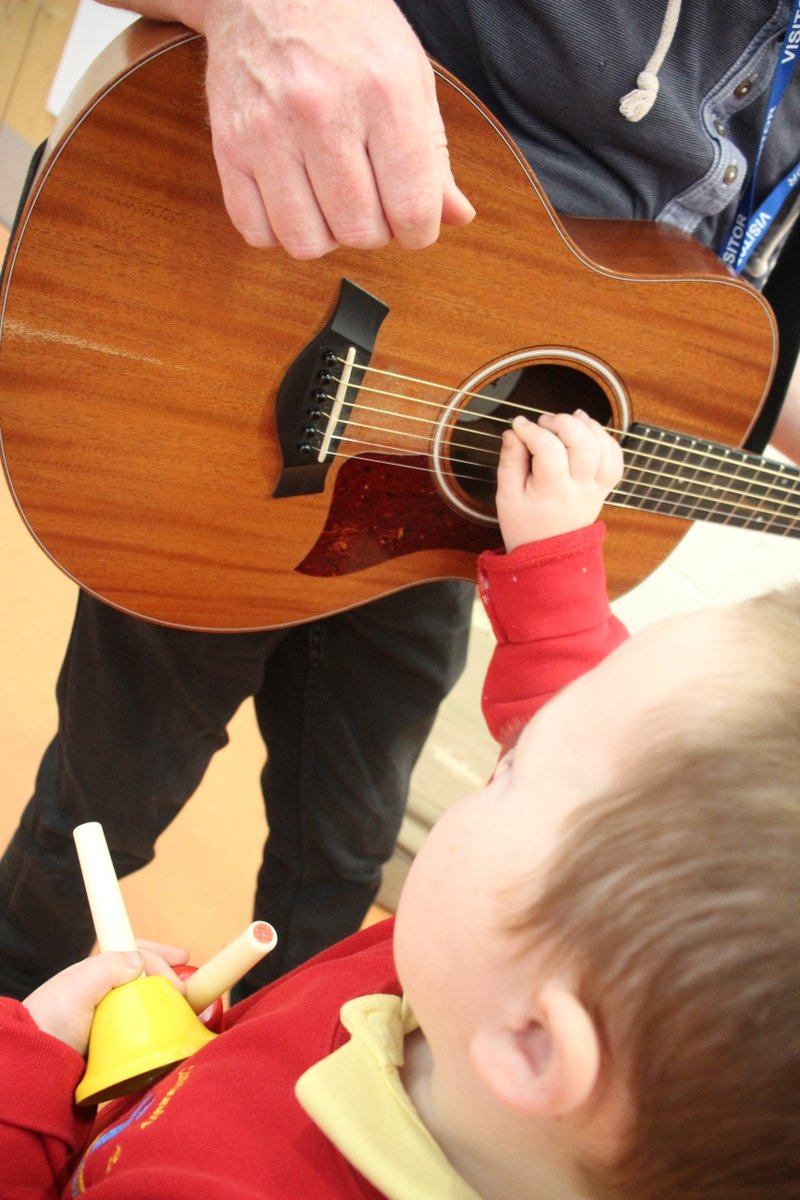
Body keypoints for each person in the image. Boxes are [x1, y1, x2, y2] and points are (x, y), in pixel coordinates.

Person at [2, 0, 799, 1000]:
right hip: (251, 371)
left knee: (346, 840)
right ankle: (13, 996)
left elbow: (743, 331)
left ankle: (275, 1081)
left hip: (444, 507)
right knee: (106, 789)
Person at [3, 410, 799, 1198]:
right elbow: (596, 734)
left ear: (536, 1047)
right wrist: (555, 553)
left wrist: (26, 1071)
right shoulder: (492, 981)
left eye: (516, 769)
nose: (509, 750)